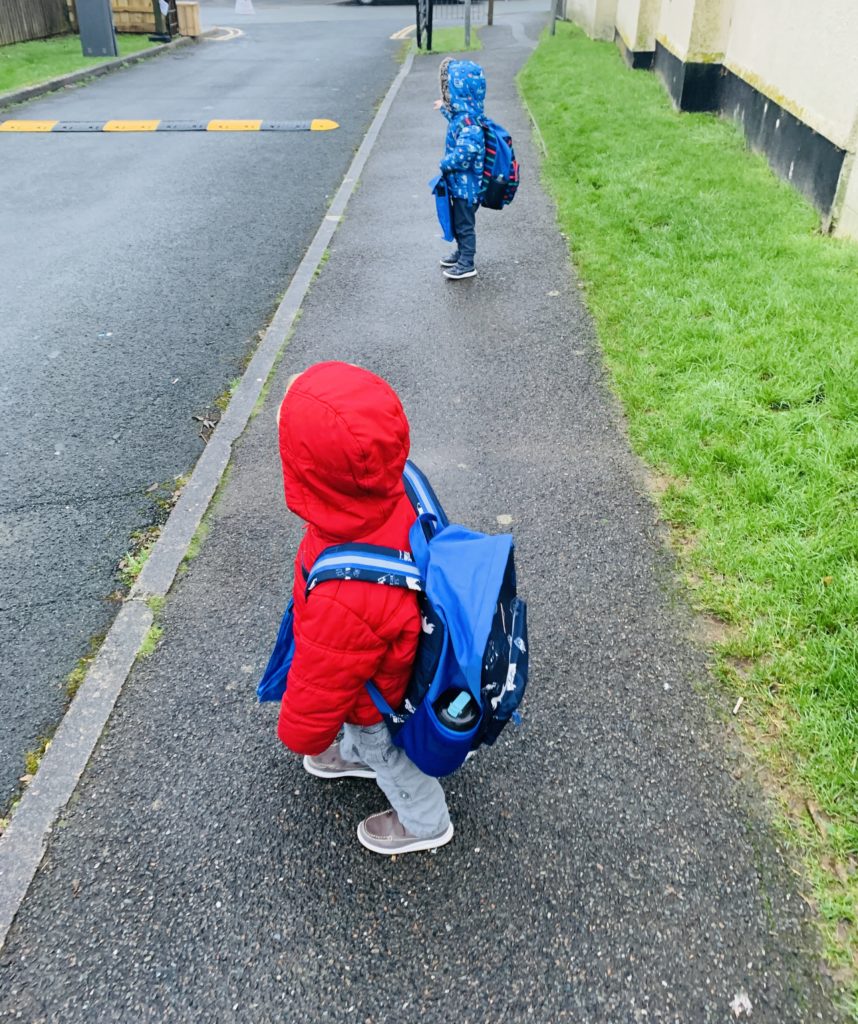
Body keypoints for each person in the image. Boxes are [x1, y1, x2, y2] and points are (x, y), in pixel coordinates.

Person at [275, 361, 454, 855]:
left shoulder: (344, 591)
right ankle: (354, 752)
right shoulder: (397, 485)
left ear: (307, 474)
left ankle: (424, 821)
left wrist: (303, 733)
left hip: (378, 697)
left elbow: (325, 673)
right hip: (402, 655)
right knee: (365, 735)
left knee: (391, 756)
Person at [435, 58, 486, 280]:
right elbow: (455, 119)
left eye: (451, 90)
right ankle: (461, 253)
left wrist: (446, 163)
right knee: (458, 221)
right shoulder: (464, 116)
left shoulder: (471, 125)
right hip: (460, 186)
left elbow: (467, 153)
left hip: (468, 189)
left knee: (465, 225)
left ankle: (467, 262)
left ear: (460, 91)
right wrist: (442, 109)